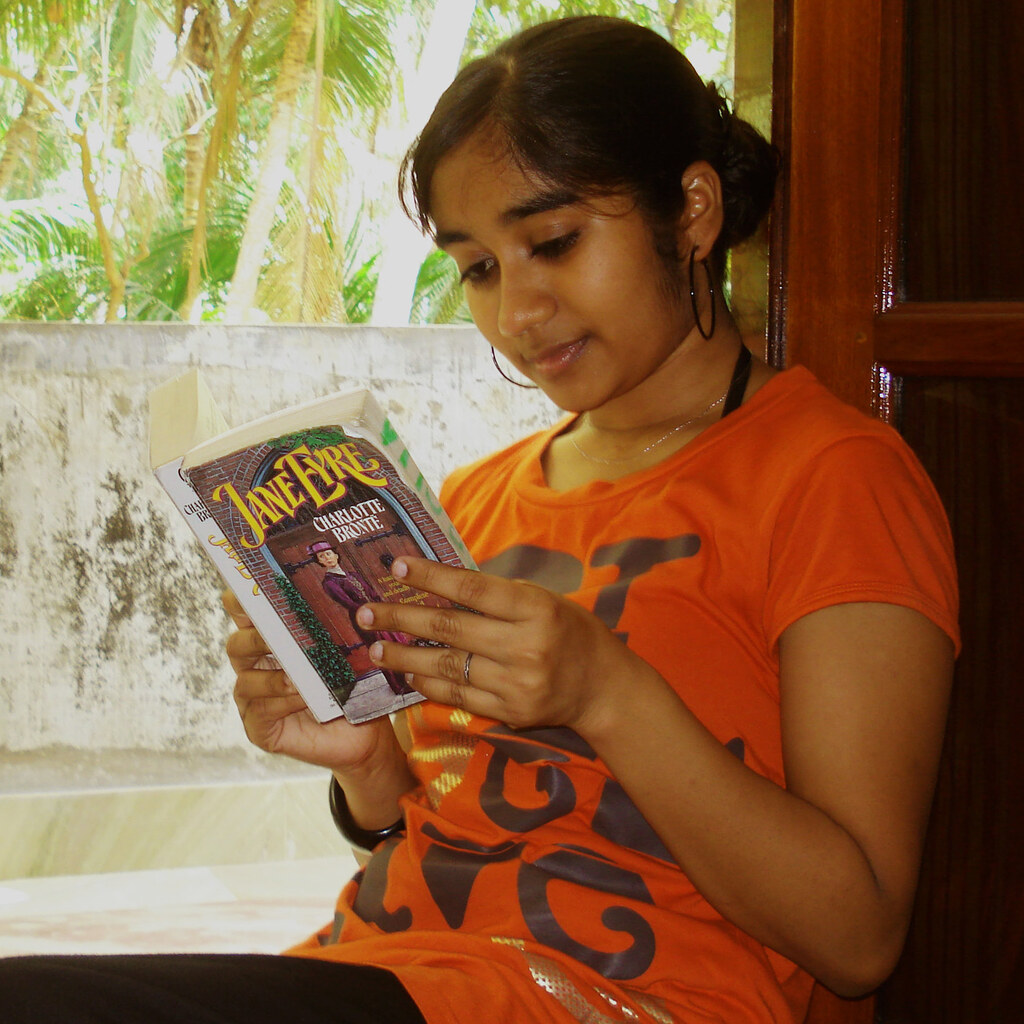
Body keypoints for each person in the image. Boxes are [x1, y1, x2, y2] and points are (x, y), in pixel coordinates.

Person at [0, 15, 958, 1024]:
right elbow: (450, 836)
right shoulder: (468, 500)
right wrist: (369, 767)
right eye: (479, 268)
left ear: (692, 208)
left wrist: (606, 690)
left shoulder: (832, 479)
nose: (518, 313)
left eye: (554, 243)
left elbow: (859, 940)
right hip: (400, 972)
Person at [308, 540, 413, 696]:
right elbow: (348, 603)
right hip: (364, 619)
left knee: (397, 643)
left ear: (336, 555)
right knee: (383, 650)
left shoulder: (353, 575)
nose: (327, 558)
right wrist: (370, 613)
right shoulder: (330, 583)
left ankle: (414, 677)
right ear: (320, 562)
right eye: (321, 557)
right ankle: (400, 685)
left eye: (328, 554)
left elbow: (372, 593)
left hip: (379, 613)